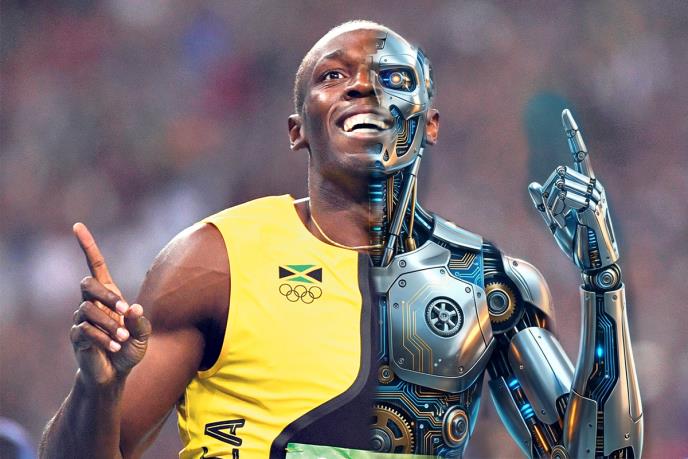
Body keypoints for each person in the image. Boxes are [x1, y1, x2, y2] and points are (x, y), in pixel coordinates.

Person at [40, 20, 642, 458]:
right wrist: (97, 389)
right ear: (297, 129)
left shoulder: (490, 285)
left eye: (393, 77)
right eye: (334, 76)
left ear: (430, 123)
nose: (363, 87)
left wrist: (603, 282)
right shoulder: (215, 260)